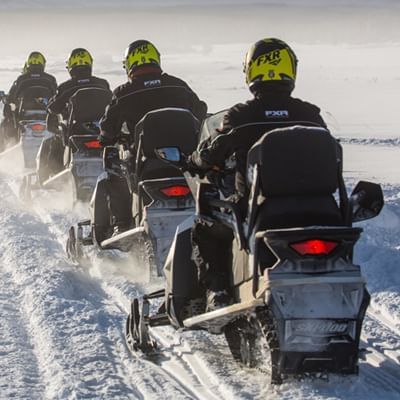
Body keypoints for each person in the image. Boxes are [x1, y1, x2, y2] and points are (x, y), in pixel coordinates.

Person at [189, 38, 328, 311]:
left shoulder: (242, 115)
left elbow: (212, 151)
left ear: (251, 71)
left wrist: (195, 161)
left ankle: (218, 291)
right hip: (320, 212)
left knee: (206, 226)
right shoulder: (309, 114)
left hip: (259, 209)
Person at [98, 39, 207, 235]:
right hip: (185, 162)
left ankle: (121, 224)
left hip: (144, 163)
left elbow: (106, 129)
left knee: (113, 166)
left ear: (130, 64)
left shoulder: (123, 93)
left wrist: (109, 138)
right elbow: (200, 111)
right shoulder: (178, 85)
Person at [44, 48, 110, 175]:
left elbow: (53, 108)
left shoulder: (65, 87)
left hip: (77, 131)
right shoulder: (102, 83)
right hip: (102, 130)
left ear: (70, 66)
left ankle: (54, 173)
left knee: (57, 139)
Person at [0, 51, 57, 148]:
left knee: (6, 123)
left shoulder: (21, 79)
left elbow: (11, 98)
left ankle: (6, 148)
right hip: (46, 116)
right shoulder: (50, 79)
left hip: (25, 116)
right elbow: (56, 97)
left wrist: (9, 103)